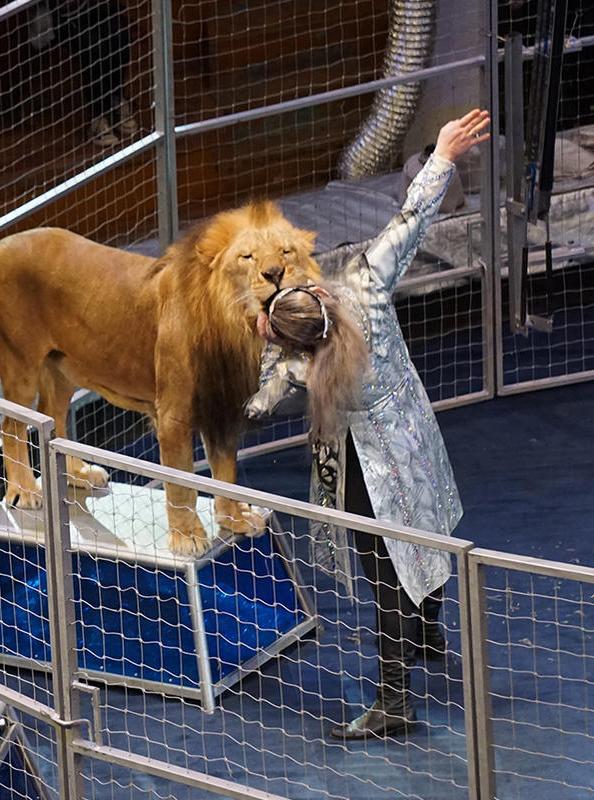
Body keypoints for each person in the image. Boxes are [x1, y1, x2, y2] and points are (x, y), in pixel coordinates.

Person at [245, 109, 492, 740]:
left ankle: (393, 700)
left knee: (382, 570)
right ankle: (430, 628)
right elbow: (411, 219)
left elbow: (265, 396)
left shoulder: (304, 371)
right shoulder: (365, 284)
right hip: (408, 430)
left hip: (366, 464)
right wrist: (442, 154)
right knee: (427, 526)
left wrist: (244, 395)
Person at [28, 0, 137, 146]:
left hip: (96, 8)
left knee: (119, 36)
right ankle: (98, 116)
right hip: (63, 16)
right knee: (94, 46)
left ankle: (115, 98)